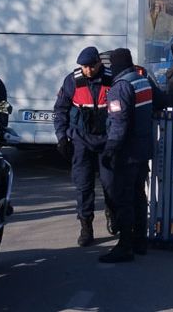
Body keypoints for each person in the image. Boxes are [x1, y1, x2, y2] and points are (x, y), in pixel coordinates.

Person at [53, 46, 116, 246]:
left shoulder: (111, 79)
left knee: (111, 184)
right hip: (81, 141)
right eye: (84, 66)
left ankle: (112, 215)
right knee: (83, 186)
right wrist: (62, 137)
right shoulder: (72, 81)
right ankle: (86, 227)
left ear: (99, 63)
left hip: (106, 141)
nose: (87, 70)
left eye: (91, 66)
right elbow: (61, 109)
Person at [98, 48, 154, 263]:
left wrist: (110, 149)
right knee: (139, 196)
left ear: (116, 66)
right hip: (143, 150)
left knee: (124, 198)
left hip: (127, 153)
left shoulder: (120, 88)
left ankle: (125, 246)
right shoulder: (142, 81)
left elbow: (119, 123)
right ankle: (140, 241)